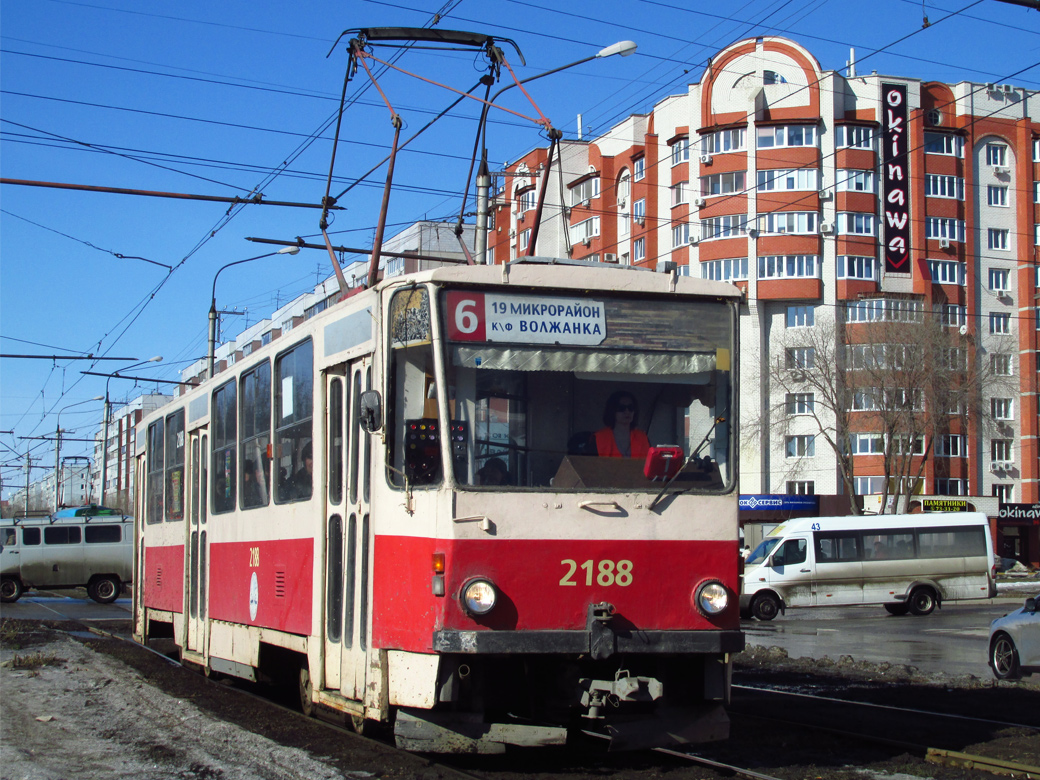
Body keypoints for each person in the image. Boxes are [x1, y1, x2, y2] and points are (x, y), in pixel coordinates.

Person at [594, 391, 650, 459]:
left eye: (630, 407)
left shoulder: (642, 437)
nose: (627, 411)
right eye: (621, 408)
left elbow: (648, 465)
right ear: (612, 411)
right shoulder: (599, 437)